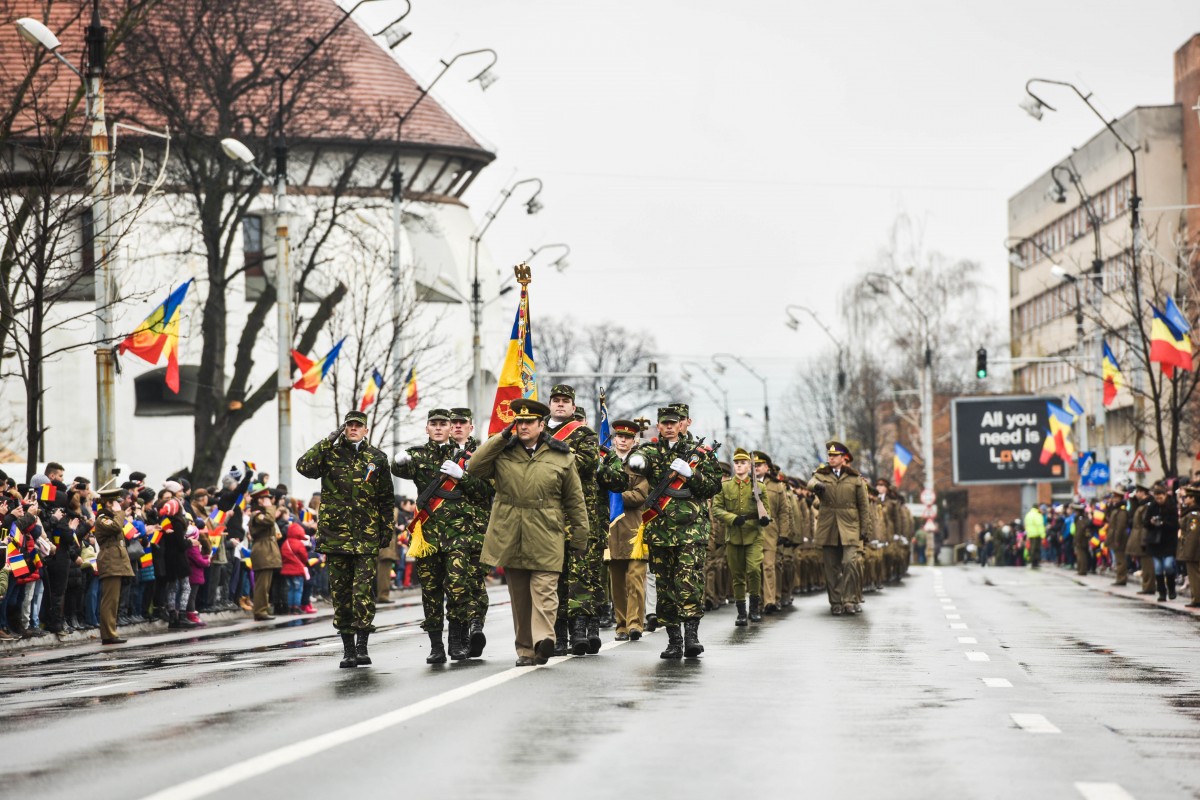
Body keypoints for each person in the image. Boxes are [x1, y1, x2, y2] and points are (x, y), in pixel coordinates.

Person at [467, 398, 588, 666]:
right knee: (520, 598)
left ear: (541, 425)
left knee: (545, 591)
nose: (522, 426)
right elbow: (474, 468)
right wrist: (501, 437)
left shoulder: (562, 455)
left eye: (528, 422)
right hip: (510, 531)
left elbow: (575, 500)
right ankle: (525, 650)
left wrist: (580, 537)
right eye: (518, 421)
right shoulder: (502, 452)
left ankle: (543, 640)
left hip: (547, 530)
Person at [391, 408, 493, 663]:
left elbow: (484, 490)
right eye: (433, 424)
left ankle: (456, 642)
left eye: (443, 424)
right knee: (431, 591)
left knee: (458, 588)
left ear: (450, 429)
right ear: (427, 428)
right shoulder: (418, 455)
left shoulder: (465, 456)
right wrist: (397, 461)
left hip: (458, 533)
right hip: (428, 535)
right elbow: (399, 471)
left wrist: (463, 476)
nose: (438, 428)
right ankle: (436, 646)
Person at [296, 409, 394, 668]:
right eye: (349, 425)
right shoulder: (330, 454)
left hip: (366, 537)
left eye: (357, 426)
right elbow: (303, 467)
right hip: (336, 537)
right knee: (340, 594)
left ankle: (362, 647)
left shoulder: (377, 458)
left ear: (365, 430)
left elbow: (385, 498)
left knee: (362, 592)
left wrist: (387, 529)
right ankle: (348, 649)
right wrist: (328, 440)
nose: (353, 429)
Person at [623, 405, 722, 658]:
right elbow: (634, 469)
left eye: (673, 422)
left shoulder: (700, 454)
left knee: (688, 582)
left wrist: (692, 475)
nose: (668, 427)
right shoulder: (650, 451)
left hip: (692, 530)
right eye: (664, 423)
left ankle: (691, 637)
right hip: (660, 530)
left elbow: (712, 487)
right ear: (658, 425)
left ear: (682, 424)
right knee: (665, 586)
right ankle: (674, 640)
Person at [542, 384, 603, 657]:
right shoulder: (536, 431)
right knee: (553, 577)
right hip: (547, 516)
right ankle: (558, 635)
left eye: (565, 401)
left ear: (572, 406)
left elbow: (588, 464)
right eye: (556, 400)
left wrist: (557, 449)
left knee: (580, 576)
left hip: (578, 514)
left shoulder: (584, 433)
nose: (560, 404)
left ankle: (580, 631)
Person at [596, 418, 650, 641]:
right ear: (614, 438)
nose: (623, 441)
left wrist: (613, 497)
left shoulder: (640, 464)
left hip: (634, 528)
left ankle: (635, 623)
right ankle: (621, 625)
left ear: (634, 440)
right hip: (611, 529)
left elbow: (640, 495)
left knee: (635, 579)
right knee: (616, 582)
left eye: (628, 438)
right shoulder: (605, 463)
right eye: (620, 437)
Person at [807, 441, 869, 616]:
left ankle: (849, 599)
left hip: (850, 526)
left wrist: (865, 529)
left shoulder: (855, 479)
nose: (831, 458)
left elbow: (863, 507)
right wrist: (816, 486)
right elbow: (810, 482)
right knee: (831, 567)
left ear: (843, 458)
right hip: (828, 526)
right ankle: (835, 601)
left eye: (835, 456)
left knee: (850, 563)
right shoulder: (821, 475)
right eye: (829, 456)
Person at [711, 448, 767, 626]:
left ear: (749, 466)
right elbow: (717, 509)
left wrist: (764, 519)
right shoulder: (725, 486)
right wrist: (733, 519)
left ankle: (755, 608)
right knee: (737, 576)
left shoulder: (759, 487)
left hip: (754, 534)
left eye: (743, 463)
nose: (739, 466)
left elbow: (767, 510)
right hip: (733, 535)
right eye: (737, 463)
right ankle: (742, 613)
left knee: (754, 570)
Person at [94, 485, 134, 645]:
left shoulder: (112, 518)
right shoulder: (102, 519)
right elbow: (116, 527)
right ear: (109, 504)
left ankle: (111, 632)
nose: (119, 504)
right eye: (115, 502)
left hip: (116, 562)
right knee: (110, 600)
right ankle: (108, 634)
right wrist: (119, 512)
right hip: (110, 562)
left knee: (114, 600)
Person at [1144, 483, 1179, 602]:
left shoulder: (1171, 506)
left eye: (1161, 498)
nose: (1159, 500)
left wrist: (1164, 523)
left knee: (1168, 566)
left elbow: (1175, 524)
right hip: (1155, 542)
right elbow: (1145, 523)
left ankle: (1171, 588)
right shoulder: (1152, 507)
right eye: (1156, 498)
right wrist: (1152, 522)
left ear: (1165, 495)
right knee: (1158, 569)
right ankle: (1162, 593)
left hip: (1169, 542)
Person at [1179, 485, 1200, 608]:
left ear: (1193, 498)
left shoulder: (1193, 514)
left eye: (1186, 497)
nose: (1184, 499)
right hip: (1193, 548)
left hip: (1194, 549)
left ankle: (1197, 598)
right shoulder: (1190, 512)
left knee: (1194, 574)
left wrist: (1188, 552)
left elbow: (1193, 534)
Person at [1107, 489, 1131, 586]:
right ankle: (1119, 577)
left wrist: (1116, 540)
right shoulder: (1115, 509)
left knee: (1120, 559)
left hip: (1120, 539)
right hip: (1115, 537)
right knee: (1118, 559)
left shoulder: (1121, 511)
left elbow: (1120, 527)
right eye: (1113, 498)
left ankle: (1121, 578)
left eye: (1115, 498)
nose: (1113, 500)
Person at [1023, 503, 1045, 569]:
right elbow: (1040, 525)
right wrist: (1043, 535)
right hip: (1036, 534)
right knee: (1036, 549)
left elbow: (1025, 525)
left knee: (1031, 548)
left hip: (1030, 534)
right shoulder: (1037, 515)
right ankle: (1035, 562)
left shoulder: (1028, 515)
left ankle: (1031, 561)